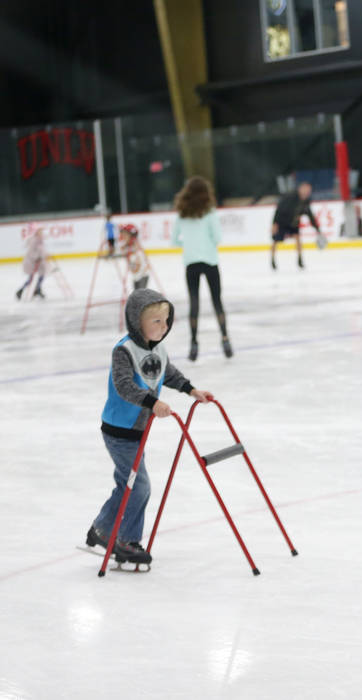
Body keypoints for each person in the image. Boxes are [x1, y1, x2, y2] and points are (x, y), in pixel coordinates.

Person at [85, 288, 214, 565]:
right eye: (156, 321)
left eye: (166, 321)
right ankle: (123, 539)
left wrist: (192, 391)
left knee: (128, 484)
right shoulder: (124, 350)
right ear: (136, 321)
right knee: (138, 486)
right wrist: (151, 402)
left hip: (137, 431)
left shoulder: (158, 348)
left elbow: (168, 373)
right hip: (119, 430)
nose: (163, 326)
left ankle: (104, 530)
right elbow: (124, 386)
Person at [173, 176, 232, 360]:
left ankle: (193, 342)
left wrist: (190, 244)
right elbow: (217, 238)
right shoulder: (210, 213)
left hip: (191, 262)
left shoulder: (181, 214)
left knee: (194, 303)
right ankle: (225, 338)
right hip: (210, 261)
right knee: (217, 301)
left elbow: (174, 241)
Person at [271, 181, 324, 269]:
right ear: (300, 189)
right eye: (306, 190)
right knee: (275, 241)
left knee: (298, 239)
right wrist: (275, 224)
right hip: (282, 222)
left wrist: (317, 229)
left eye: (309, 191)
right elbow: (279, 209)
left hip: (293, 223)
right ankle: (272, 260)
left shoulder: (306, 201)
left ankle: (300, 260)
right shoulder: (290, 197)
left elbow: (310, 215)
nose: (307, 192)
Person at [15, 224, 46, 300]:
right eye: (40, 231)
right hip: (31, 262)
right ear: (36, 231)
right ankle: (20, 290)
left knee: (42, 275)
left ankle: (37, 289)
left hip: (38, 262)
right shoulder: (33, 240)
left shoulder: (39, 239)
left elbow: (40, 250)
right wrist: (36, 257)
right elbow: (31, 252)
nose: (42, 232)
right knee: (31, 279)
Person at [117, 224, 149, 290]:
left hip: (142, 276)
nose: (123, 237)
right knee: (136, 295)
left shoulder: (136, 247)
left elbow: (136, 253)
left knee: (140, 295)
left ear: (132, 236)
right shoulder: (127, 247)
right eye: (123, 235)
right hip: (136, 276)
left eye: (125, 235)